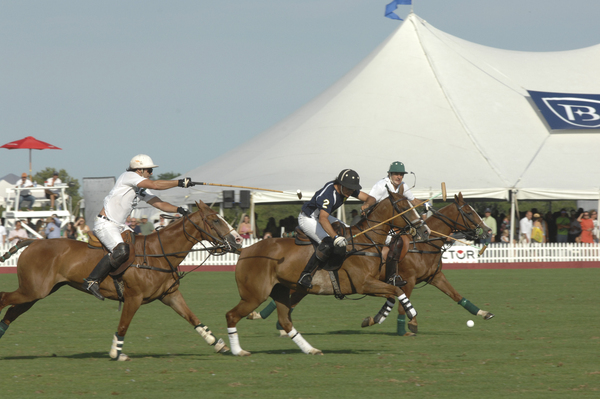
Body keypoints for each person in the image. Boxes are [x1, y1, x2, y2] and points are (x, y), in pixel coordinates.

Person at [82, 154, 195, 300]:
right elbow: (155, 185)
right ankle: (92, 281)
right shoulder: (128, 176)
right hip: (106, 224)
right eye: (149, 170)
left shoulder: (140, 188)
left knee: (142, 247)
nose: (151, 173)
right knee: (121, 250)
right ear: (139, 170)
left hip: (121, 226)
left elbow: (158, 204)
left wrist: (179, 210)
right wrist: (180, 183)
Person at [296, 169, 376, 289]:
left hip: (322, 216)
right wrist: (336, 237)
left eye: (352, 189)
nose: (350, 192)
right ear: (341, 184)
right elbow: (323, 219)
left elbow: (371, 198)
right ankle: (305, 275)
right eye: (349, 189)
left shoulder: (347, 189)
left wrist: (367, 204)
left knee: (350, 232)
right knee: (328, 243)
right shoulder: (329, 195)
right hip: (309, 218)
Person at [368, 161, 428, 287]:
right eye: (396, 174)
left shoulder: (402, 186)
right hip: (378, 224)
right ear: (390, 174)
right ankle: (391, 277)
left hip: (391, 224)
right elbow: (371, 200)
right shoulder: (381, 185)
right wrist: (366, 206)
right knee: (397, 241)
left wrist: (425, 204)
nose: (399, 177)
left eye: (401, 174)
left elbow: (413, 201)